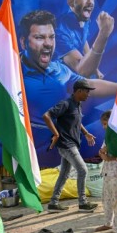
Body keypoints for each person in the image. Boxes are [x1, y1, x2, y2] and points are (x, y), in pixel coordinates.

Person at [19, 10, 117, 164]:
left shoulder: (60, 70)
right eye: (39, 37)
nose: (48, 43)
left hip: (54, 150)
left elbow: (90, 84)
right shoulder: (11, 70)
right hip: (22, 150)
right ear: (23, 42)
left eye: (51, 37)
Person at [42, 79, 99, 213]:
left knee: (64, 174)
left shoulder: (77, 105)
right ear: (78, 91)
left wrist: (86, 133)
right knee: (83, 170)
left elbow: (77, 122)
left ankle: (53, 203)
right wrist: (55, 134)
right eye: (86, 91)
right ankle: (83, 203)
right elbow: (46, 116)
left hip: (71, 143)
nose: (88, 95)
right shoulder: (66, 103)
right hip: (66, 144)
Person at [56, 0, 114, 78]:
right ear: (71, 0)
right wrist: (103, 34)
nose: (91, 2)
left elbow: (82, 40)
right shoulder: (59, 31)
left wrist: (96, 70)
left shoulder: (81, 16)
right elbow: (82, 71)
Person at [95, 110, 117, 233]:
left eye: (106, 124)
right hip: (107, 171)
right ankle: (108, 222)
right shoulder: (108, 137)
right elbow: (102, 152)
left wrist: (108, 154)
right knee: (106, 199)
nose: (104, 127)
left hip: (116, 172)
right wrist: (103, 154)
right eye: (103, 124)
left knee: (116, 200)